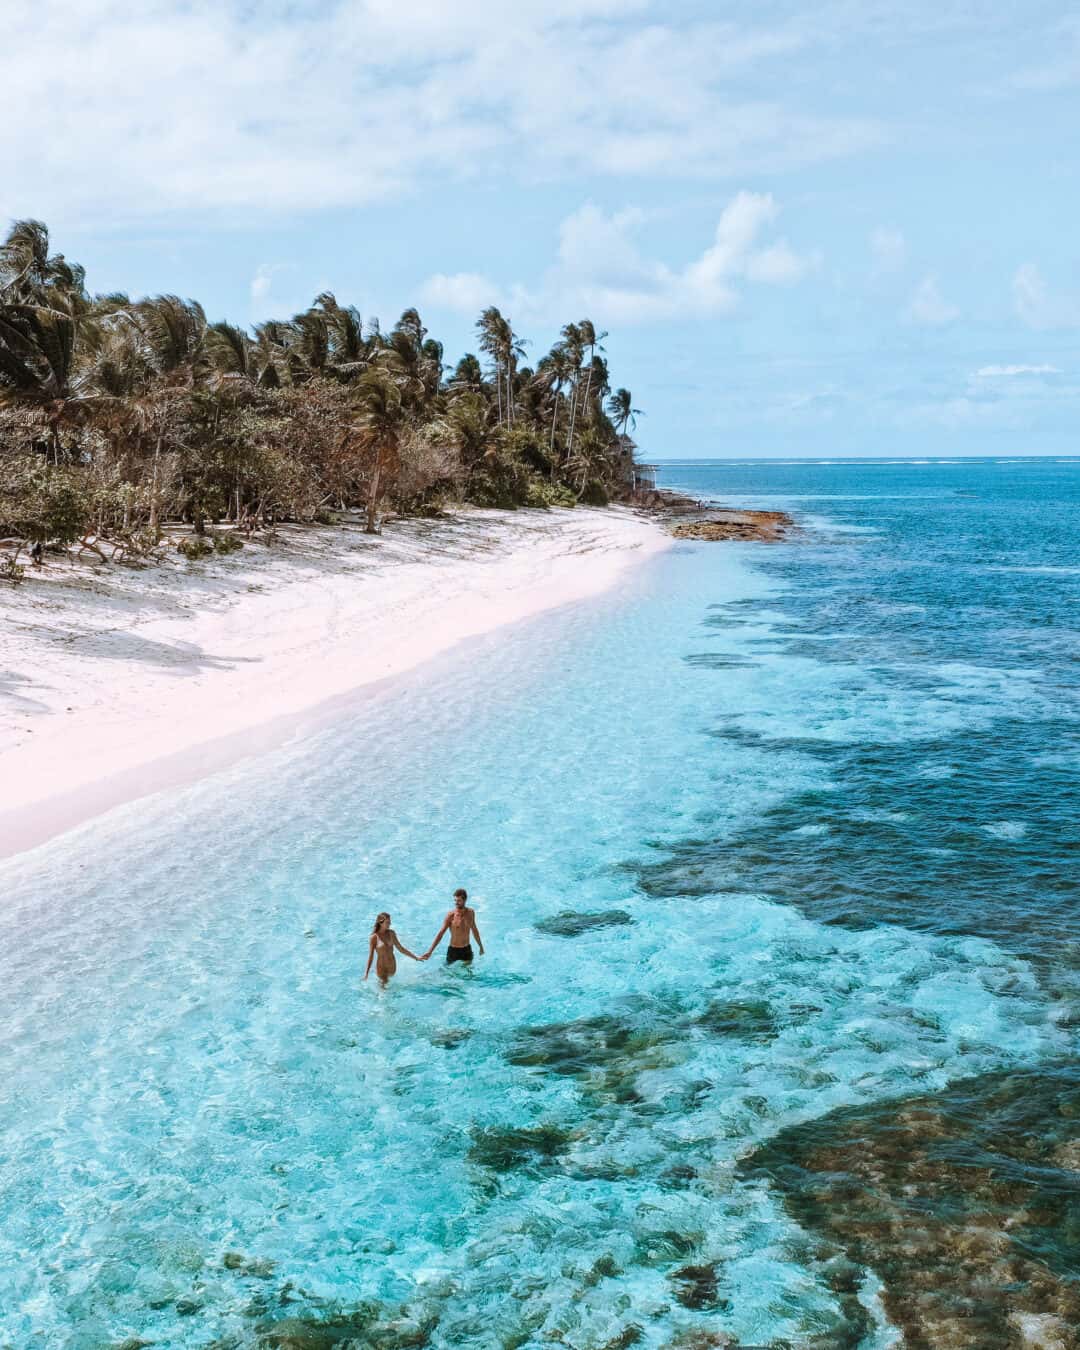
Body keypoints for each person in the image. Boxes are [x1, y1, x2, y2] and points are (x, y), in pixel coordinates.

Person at [422, 888, 484, 965]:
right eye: (455, 900)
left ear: (464, 900)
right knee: (449, 974)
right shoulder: (451, 915)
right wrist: (430, 951)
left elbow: (474, 930)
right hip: (454, 950)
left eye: (458, 901)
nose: (456, 903)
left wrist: (480, 946)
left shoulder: (471, 913)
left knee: (468, 974)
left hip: (466, 949)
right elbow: (441, 933)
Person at [363, 911, 421, 984]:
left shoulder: (391, 933)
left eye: (389, 922)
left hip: (392, 967)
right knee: (383, 990)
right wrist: (366, 973)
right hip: (382, 968)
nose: (390, 924)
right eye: (387, 922)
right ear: (380, 923)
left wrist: (415, 958)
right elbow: (371, 956)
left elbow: (401, 948)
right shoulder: (374, 937)